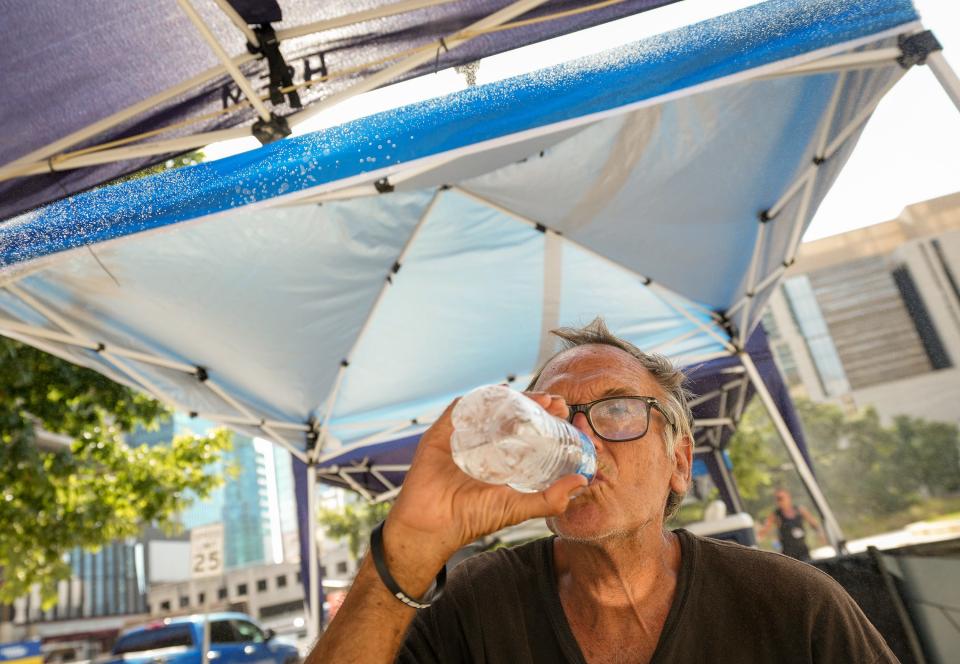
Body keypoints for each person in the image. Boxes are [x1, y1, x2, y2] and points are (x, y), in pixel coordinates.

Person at [306, 318, 896, 663]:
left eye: (617, 410)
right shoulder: (474, 605)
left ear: (678, 462)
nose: (584, 433)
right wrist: (409, 545)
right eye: (561, 419)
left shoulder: (793, 606)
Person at [757, 488, 827, 562]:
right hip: (788, 553)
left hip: (803, 550)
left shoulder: (800, 510)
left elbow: (814, 524)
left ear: (788, 498)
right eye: (777, 499)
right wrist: (756, 541)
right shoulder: (776, 515)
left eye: (781, 498)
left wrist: (821, 535)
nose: (779, 501)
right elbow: (764, 530)